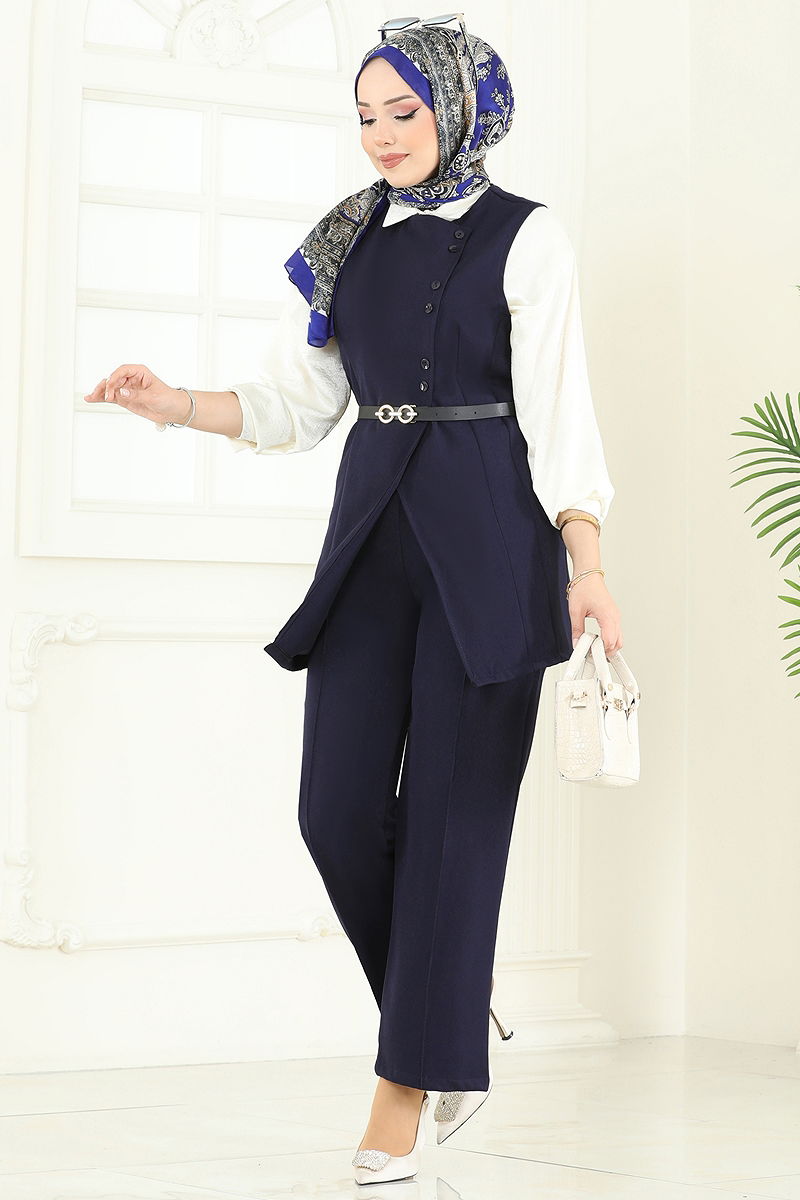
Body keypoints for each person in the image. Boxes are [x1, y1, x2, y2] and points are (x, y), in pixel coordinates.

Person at [85, 15, 622, 1186]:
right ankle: (448, 1016)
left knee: (450, 822)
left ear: (458, 109)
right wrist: (175, 404)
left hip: (492, 543)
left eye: (403, 112)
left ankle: (406, 1081)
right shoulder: (347, 239)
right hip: (371, 538)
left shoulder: (528, 237)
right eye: (366, 115)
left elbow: (560, 408)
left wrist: (584, 562)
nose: (380, 135)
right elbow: (298, 403)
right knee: (334, 810)